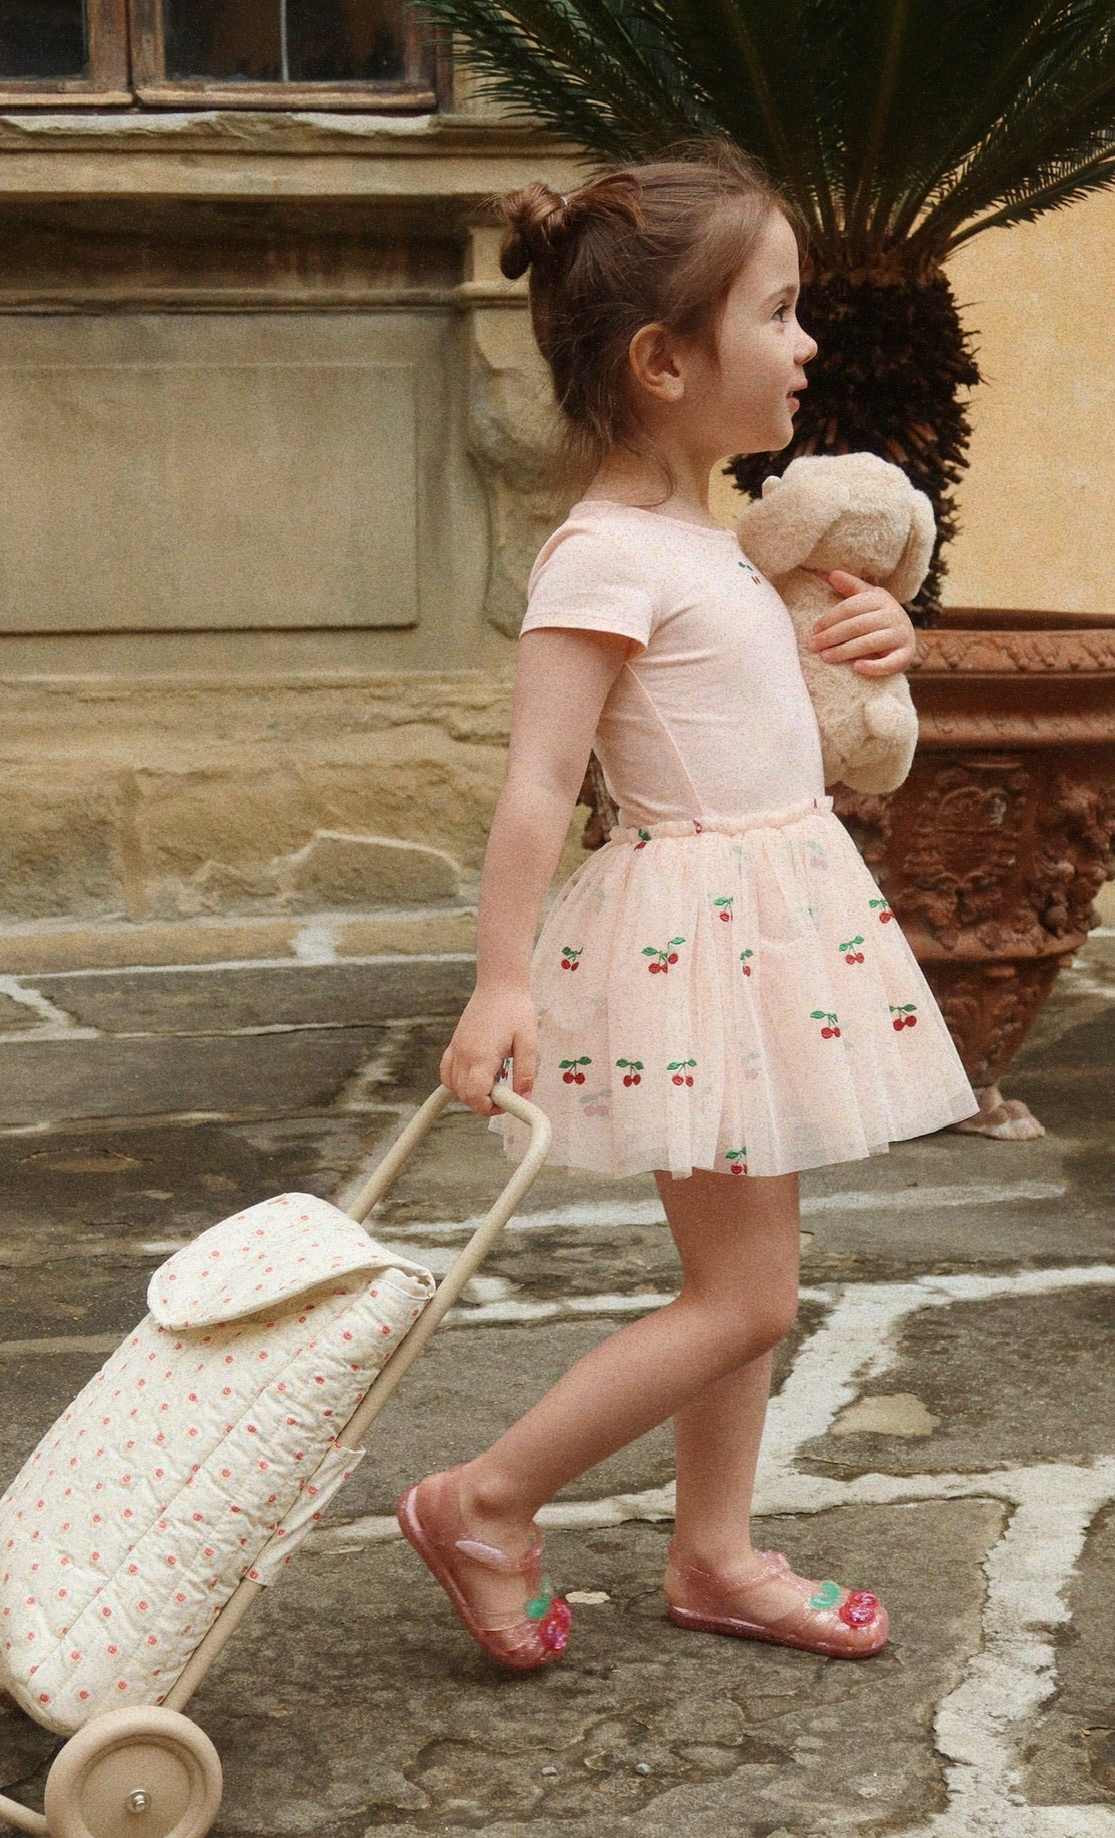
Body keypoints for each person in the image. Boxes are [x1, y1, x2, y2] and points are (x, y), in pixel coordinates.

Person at [398, 146, 978, 1672]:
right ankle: (485, 1500)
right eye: (777, 314)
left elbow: (784, 720)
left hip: (767, 933)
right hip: (699, 946)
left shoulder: (714, 548)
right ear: (664, 362)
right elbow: (540, 782)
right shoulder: (602, 556)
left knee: (746, 1286)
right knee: (745, 1297)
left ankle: (715, 1553)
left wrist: (876, 638)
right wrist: (501, 981)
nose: (807, 344)